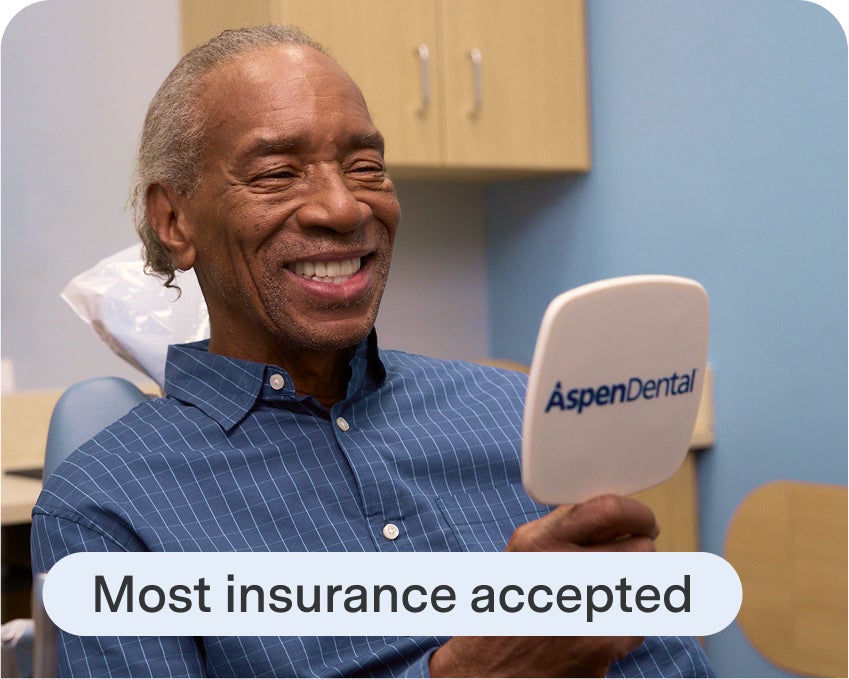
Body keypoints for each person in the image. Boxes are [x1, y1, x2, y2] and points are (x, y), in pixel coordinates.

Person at [32, 25, 715, 678]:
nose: (341, 206)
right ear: (174, 220)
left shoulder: (518, 417)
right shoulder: (108, 506)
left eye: (366, 166)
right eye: (277, 173)